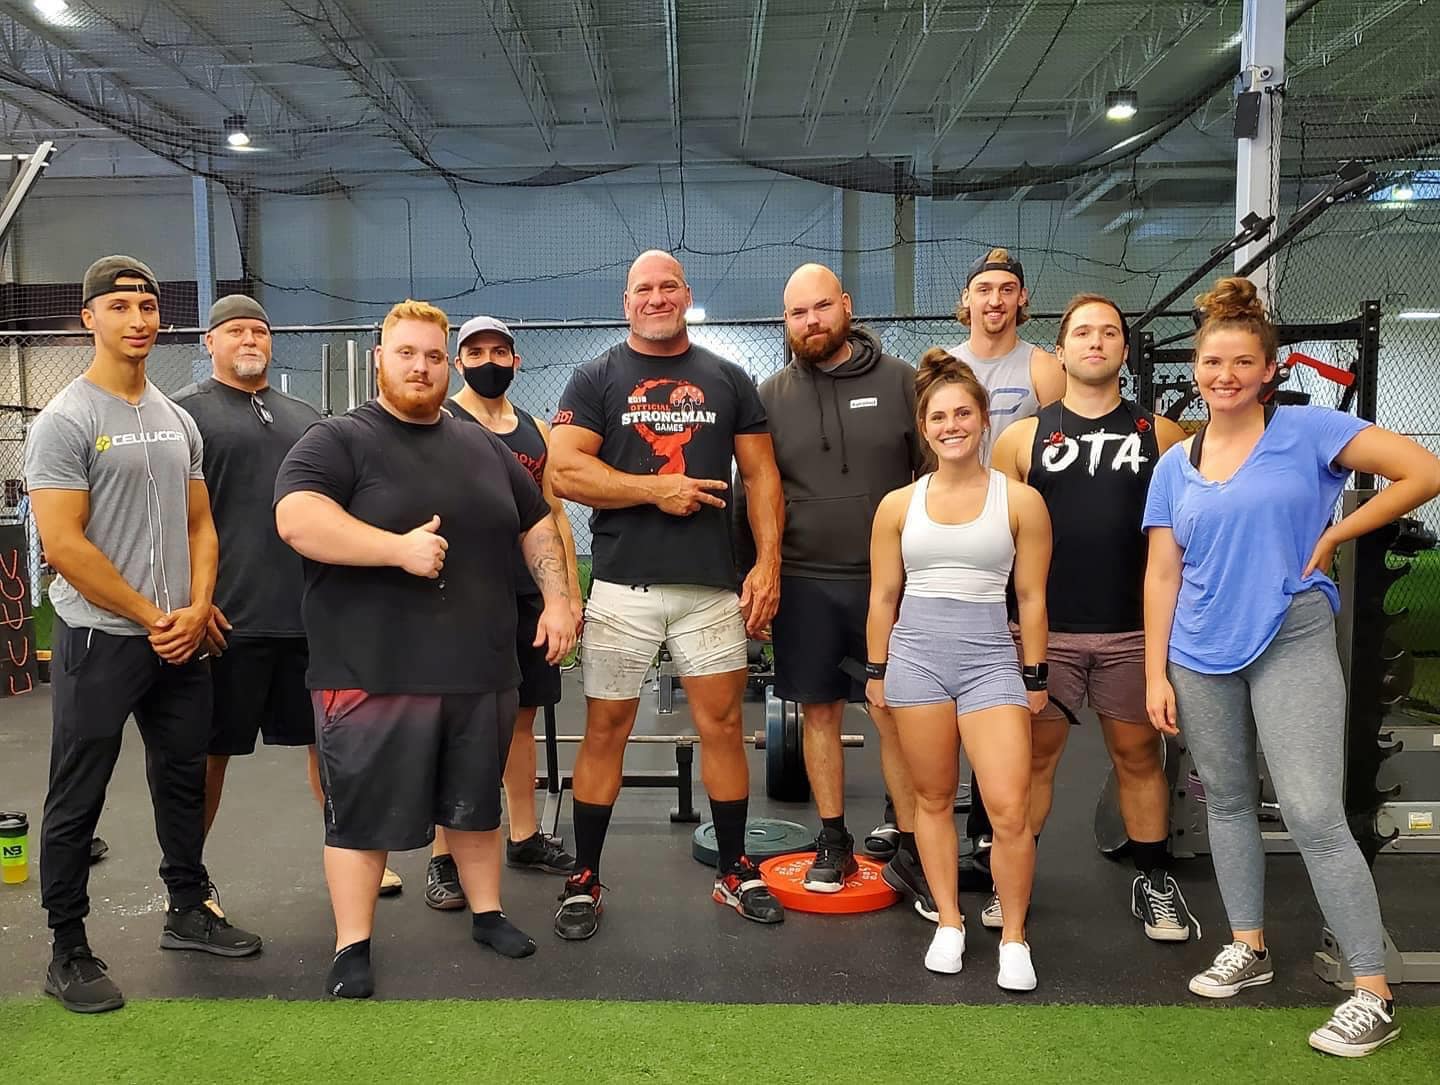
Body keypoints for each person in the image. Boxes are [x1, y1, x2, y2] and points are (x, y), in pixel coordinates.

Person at [1144, 276, 1440, 1057]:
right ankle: (1249, 945)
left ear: (1270, 369)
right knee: (1227, 801)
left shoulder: (1309, 431)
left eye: (1243, 361)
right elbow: (1162, 573)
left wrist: (1340, 531)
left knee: (1312, 813)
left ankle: (1372, 990)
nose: (1226, 375)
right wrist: (1153, 672)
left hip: (1289, 634)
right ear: (1196, 368)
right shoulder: (1175, 463)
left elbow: (1423, 470)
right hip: (1197, 649)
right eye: (1213, 362)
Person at [274, 299, 576, 998]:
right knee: (361, 816)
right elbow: (297, 518)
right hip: (373, 671)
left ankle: (488, 913)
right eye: (406, 353)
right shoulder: (338, 439)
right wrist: (395, 550)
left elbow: (536, 522)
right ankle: (352, 944)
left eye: (433, 356)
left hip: (479, 667)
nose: (421, 367)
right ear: (380, 359)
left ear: (448, 366)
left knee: (474, 804)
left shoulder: (482, 446)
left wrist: (558, 597)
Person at [24, 256, 262, 1015]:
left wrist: (197, 607)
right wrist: (153, 614)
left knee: (183, 777)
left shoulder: (176, 418)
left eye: (149, 306)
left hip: (179, 639)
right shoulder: (66, 420)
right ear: (89, 317)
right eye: (121, 305)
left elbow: (201, 525)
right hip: (102, 637)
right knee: (78, 791)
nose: (138, 319)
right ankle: (67, 947)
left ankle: (188, 908)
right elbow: (65, 544)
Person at [548, 250, 785, 939]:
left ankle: (734, 869)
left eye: (668, 287)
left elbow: (762, 478)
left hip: (710, 589)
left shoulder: (728, 377)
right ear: (626, 302)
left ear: (687, 294)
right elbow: (563, 471)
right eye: (643, 289)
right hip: (622, 587)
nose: (656, 298)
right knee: (605, 730)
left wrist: (767, 564)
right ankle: (585, 876)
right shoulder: (597, 376)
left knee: (723, 727)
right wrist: (657, 489)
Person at [172, 296, 405, 900]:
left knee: (332, 748)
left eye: (260, 330)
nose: (250, 339)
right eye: (235, 331)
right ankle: (188, 883)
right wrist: (194, 600)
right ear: (210, 342)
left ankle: (356, 856)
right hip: (226, 620)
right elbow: (172, 520)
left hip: (309, 619)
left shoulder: (304, 418)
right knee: (207, 756)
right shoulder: (183, 414)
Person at [990, 293, 1192, 940]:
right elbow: (997, 540)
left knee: (1138, 756)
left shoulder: (1163, 436)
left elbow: (1184, 539)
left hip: (1131, 631)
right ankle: (1012, 885)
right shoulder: (1021, 439)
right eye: (1082, 332)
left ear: (1124, 351)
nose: (1096, 341)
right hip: (1044, 633)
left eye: (1109, 332)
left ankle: (1154, 881)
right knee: (1033, 761)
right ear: (1061, 350)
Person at [865, 350, 1051, 990]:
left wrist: (1034, 676)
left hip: (991, 664)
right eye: (939, 417)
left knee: (1009, 809)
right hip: (916, 661)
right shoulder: (897, 505)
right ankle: (949, 922)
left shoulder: (1020, 500)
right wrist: (877, 671)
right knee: (932, 800)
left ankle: (1015, 938)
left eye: (963, 414)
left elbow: (1031, 598)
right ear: (924, 427)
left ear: (983, 419)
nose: (952, 426)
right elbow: (883, 597)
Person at [756, 262, 931, 911]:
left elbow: (932, 480)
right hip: (804, 581)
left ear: (847, 306)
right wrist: (758, 574)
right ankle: (833, 838)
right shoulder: (769, 396)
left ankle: (912, 847)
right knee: (819, 713)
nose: (811, 321)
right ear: (786, 321)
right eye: (798, 312)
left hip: (887, 583)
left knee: (893, 712)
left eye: (822, 306)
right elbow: (757, 494)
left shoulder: (901, 381)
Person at [424, 314, 583, 908]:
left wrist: (567, 596)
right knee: (458, 725)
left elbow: (554, 513)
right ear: (458, 361)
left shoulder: (536, 429)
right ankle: (443, 857)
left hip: (528, 596)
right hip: (465, 596)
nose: (488, 362)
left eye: (499, 352)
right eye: (476, 352)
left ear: (516, 361)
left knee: (522, 718)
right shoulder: (443, 422)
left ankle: (525, 837)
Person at [942, 247, 1064, 900]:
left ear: (1021, 300)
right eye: (984, 288)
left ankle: (993, 836)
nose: (995, 299)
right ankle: (924, 820)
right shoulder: (945, 362)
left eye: (1007, 289)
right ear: (967, 300)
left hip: (1016, 541)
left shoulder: (1042, 366)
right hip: (952, 545)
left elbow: (1066, 446)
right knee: (939, 689)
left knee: (1002, 693)